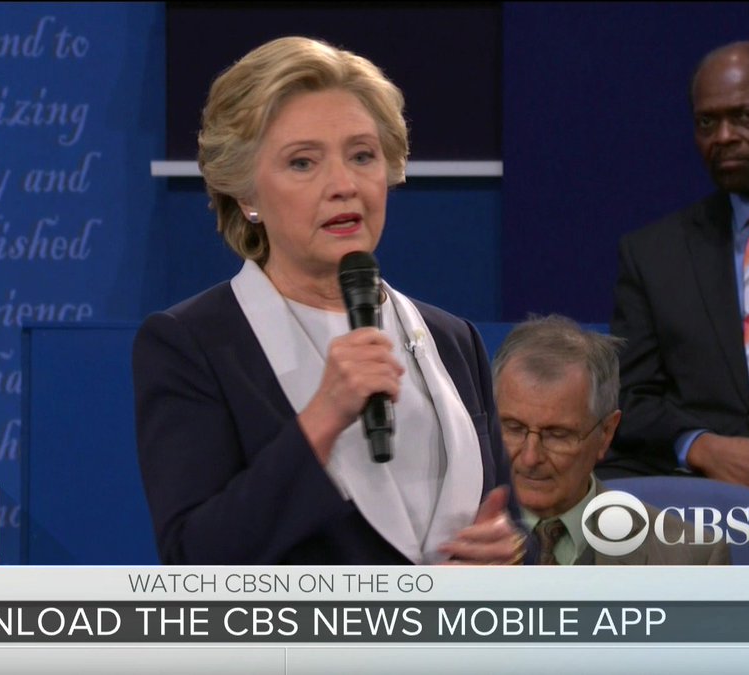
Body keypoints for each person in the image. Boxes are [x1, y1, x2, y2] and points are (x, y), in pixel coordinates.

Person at [133, 36, 528, 565]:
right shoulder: (195, 344)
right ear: (246, 194)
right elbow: (194, 559)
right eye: (303, 163)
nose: (344, 185)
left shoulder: (452, 339)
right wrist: (323, 417)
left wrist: (510, 551)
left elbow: (509, 526)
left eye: (362, 155)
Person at [600, 41, 749, 562]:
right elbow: (628, 394)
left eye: (745, 117)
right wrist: (701, 445)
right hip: (695, 482)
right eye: (707, 122)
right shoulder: (654, 252)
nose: (723, 137)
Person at [494, 316, 729, 565]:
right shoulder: (461, 538)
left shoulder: (690, 558)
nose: (531, 457)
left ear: (606, 433)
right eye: (514, 429)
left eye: (557, 435)